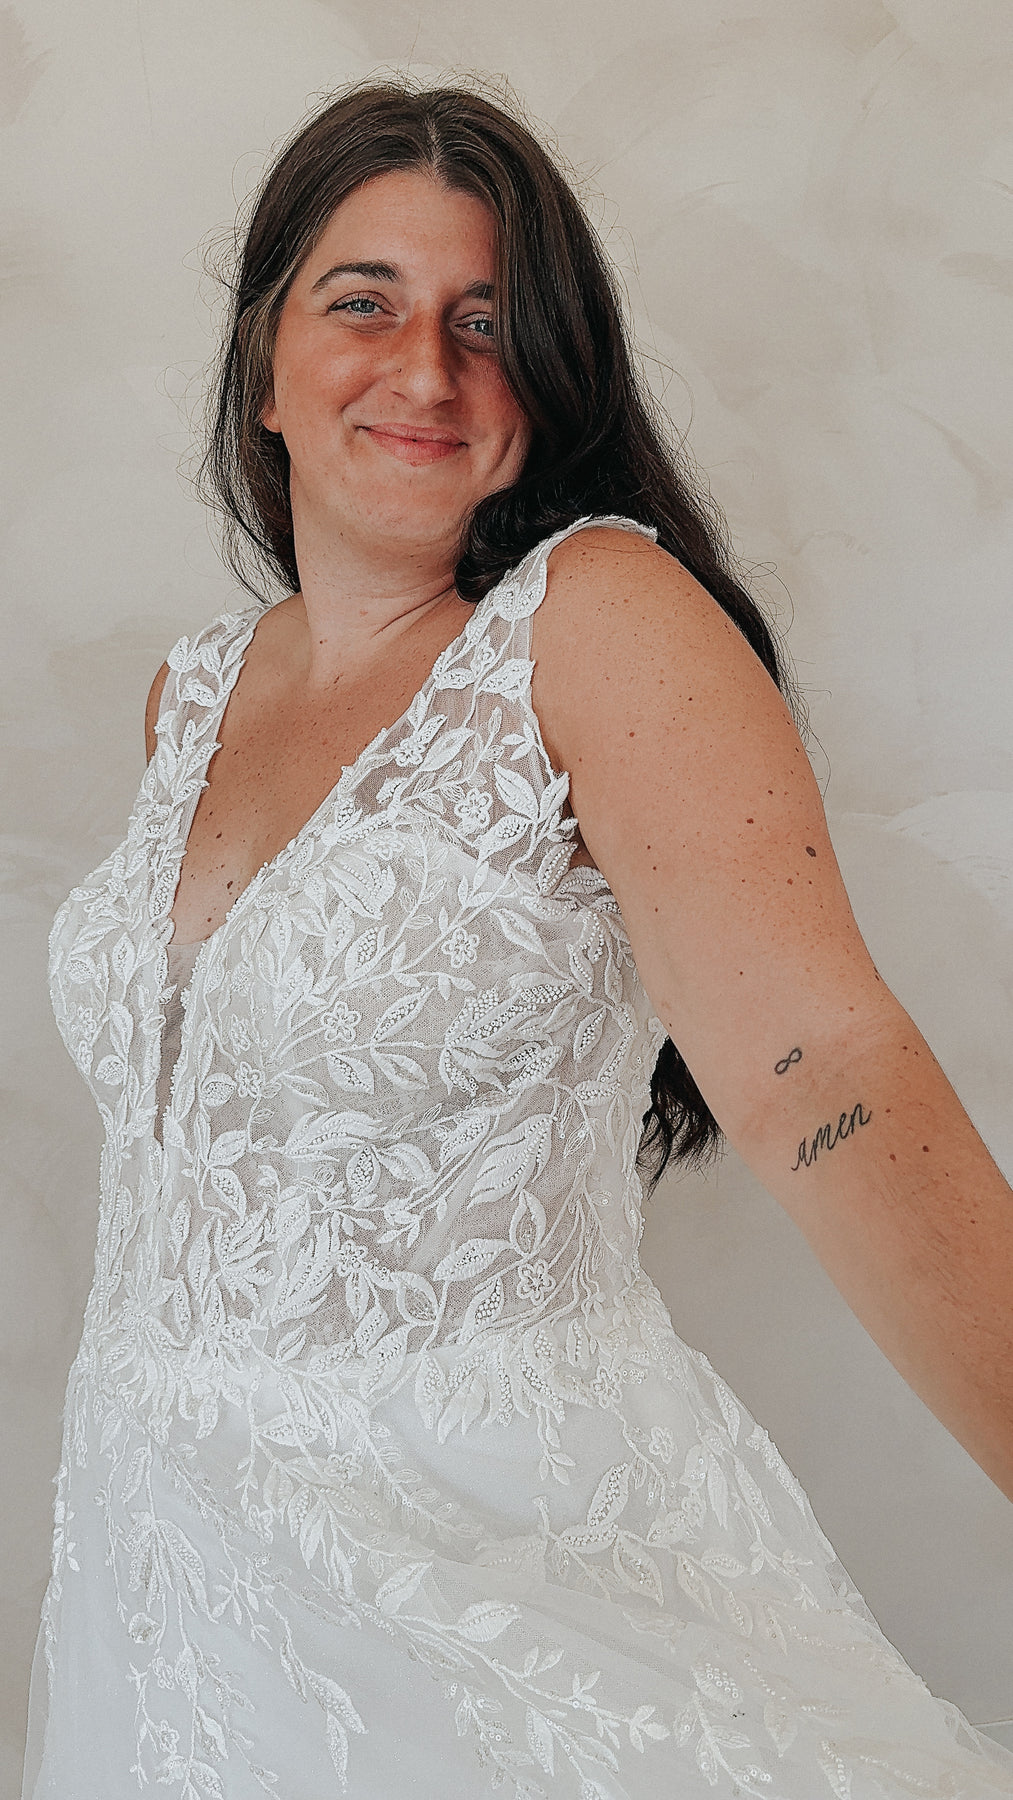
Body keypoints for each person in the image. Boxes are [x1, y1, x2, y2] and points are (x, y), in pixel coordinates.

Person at [23, 79, 1013, 1800]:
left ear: (545, 383)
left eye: (485, 324)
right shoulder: (194, 692)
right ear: (263, 366)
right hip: (165, 1572)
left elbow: (822, 1073)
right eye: (365, 304)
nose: (425, 370)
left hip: (491, 1566)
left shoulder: (597, 619)